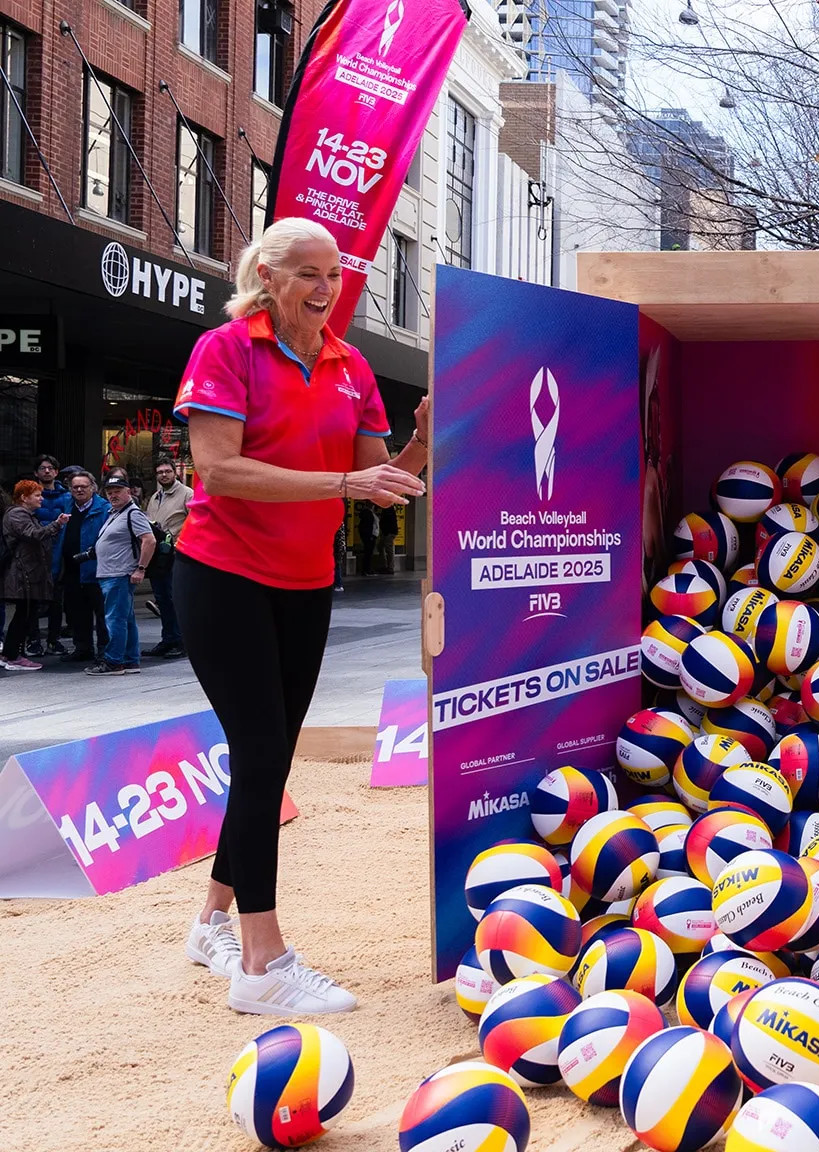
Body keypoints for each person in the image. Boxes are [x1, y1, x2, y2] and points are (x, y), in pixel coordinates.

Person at [173, 217, 428, 1015]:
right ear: (267, 275)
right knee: (258, 754)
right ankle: (262, 964)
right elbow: (218, 469)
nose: (326, 288)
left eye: (335, 275)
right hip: (222, 575)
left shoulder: (352, 366)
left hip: (306, 581)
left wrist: (422, 444)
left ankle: (210, 923)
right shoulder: (227, 349)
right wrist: (343, 486)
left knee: (271, 759)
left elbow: (377, 482)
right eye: (309, 273)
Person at [88, 475, 153, 675]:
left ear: (128, 492)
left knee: (115, 619)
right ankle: (130, 660)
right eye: (109, 492)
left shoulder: (133, 513)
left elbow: (149, 540)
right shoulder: (116, 513)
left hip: (119, 574)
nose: (113, 495)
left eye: (117, 491)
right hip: (112, 573)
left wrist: (141, 568)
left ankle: (113, 661)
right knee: (125, 619)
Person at [3, 479, 68, 670]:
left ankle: (12, 653)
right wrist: (57, 524)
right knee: (23, 615)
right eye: (37, 495)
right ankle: (12, 655)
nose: (41, 499)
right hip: (22, 574)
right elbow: (34, 534)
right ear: (24, 498)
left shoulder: (26, 515)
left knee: (26, 614)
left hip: (28, 573)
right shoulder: (17, 514)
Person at [50, 469, 110, 663]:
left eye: (84, 486)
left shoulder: (104, 508)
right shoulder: (67, 506)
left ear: (93, 488)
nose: (79, 490)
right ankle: (83, 647)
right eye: (75, 487)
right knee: (77, 610)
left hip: (96, 568)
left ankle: (105, 650)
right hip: (71, 568)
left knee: (102, 613)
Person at [145, 459, 191, 658]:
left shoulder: (187, 494)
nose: (164, 475)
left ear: (175, 472)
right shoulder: (155, 497)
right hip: (158, 555)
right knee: (162, 599)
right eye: (160, 472)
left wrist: (180, 544)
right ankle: (168, 639)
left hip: (177, 554)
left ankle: (181, 642)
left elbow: (196, 521)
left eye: (167, 471)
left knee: (174, 599)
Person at [29, 455, 64, 657]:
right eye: (43, 468)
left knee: (56, 601)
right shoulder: (30, 495)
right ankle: (33, 640)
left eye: (51, 468)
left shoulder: (66, 496)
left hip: (59, 552)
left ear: (57, 472)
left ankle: (54, 639)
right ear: (36, 473)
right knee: (33, 600)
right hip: (35, 554)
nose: (47, 471)